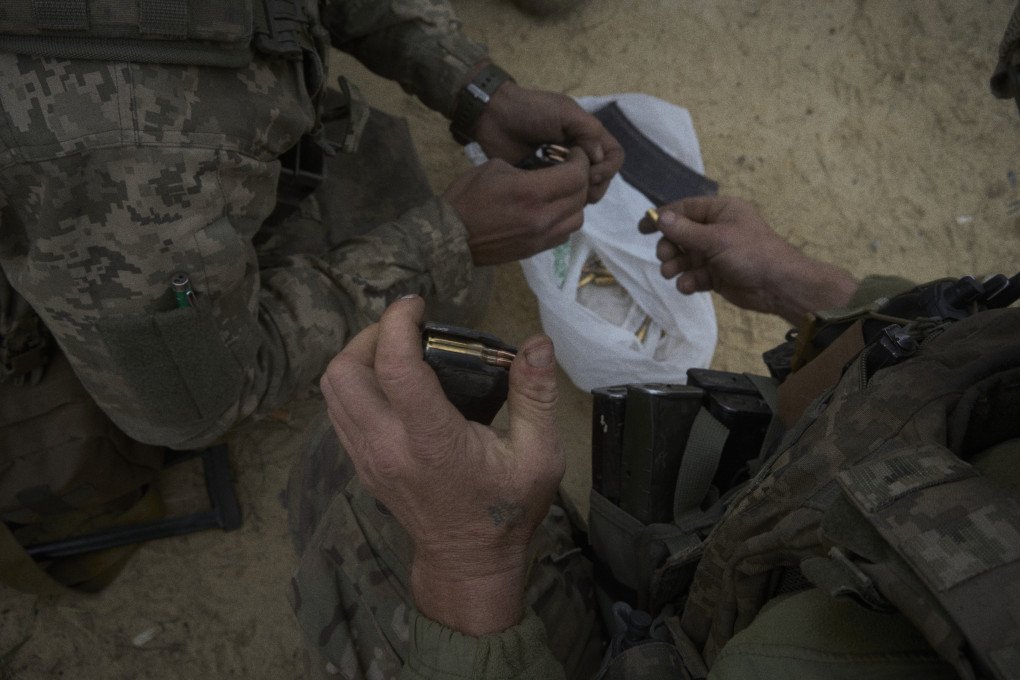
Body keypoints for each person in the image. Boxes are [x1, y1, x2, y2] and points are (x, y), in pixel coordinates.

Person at [0, 0, 623, 451]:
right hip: (115, 179)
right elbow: (193, 409)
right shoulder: (139, 168)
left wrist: (473, 86)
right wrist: (448, 238)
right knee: (453, 294)